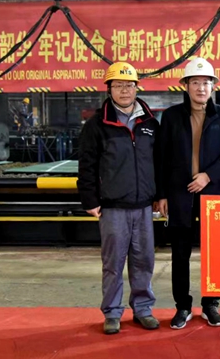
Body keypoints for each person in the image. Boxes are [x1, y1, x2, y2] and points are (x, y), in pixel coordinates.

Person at [78, 62, 161, 335]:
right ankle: (112, 312)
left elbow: (159, 163)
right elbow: (86, 165)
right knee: (113, 263)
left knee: (144, 260)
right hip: (112, 206)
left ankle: (143, 309)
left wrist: (159, 195)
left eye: (129, 85)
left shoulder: (150, 123)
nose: (124, 90)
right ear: (109, 89)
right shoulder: (97, 125)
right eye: (118, 85)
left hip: (144, 206)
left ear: (137, 88)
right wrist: (90, 200)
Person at [157, 57, 220, 330]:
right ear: (186, 86)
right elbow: (162, 157)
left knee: (213, 252)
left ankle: (210, 304)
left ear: (213, 86)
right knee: (180, 253)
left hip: (212, 194)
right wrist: (162, 194)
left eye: (206, 82)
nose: (201, 88)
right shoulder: (171, 117)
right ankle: (182, 306)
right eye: (195, 82)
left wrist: (208, 175)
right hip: (179, 194)